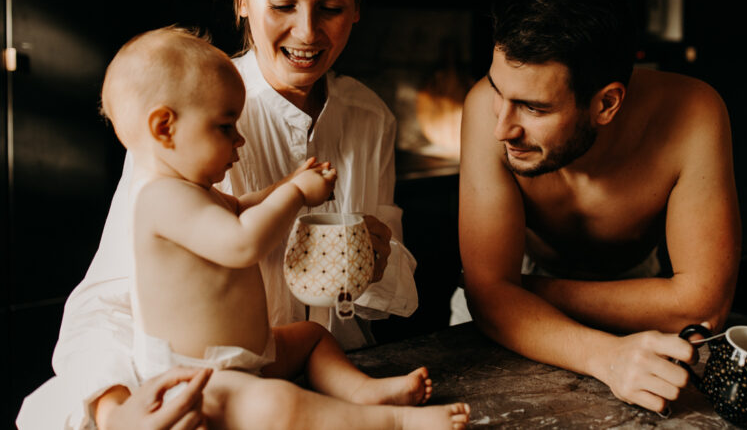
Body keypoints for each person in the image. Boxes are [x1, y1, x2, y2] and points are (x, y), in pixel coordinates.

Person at [18, 0, 418, 429]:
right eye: (282, 4)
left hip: (337, 379)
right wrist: (112, 412)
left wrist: (378, 262)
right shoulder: (191, 117)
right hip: (225, 391)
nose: (307, 33)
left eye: (332, 7)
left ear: (356, 8)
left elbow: (395, 291)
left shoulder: (370, 117)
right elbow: (103, 302)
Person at [96, 27, 468, 430]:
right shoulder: (159, 198)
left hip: (252, 355)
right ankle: (390, 422)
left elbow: (239, 208)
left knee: (311, 336)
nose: (239, 140)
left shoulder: (192, 190)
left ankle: (361, 390)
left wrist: (285, 186)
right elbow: (241, 242)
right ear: (164, 127)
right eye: (225, 127)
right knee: (280, 405)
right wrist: (293, 198)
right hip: (201, 377)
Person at [454, 0, 741, 414]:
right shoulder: (482, 110)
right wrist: (605, 356)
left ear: (606, 104)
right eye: (498, 91)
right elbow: (488, 300)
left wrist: (519, 292)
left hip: (627, 290)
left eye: (534, 108)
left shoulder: (693, 114)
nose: (502, 129)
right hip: (614, 306)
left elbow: (703, 305)